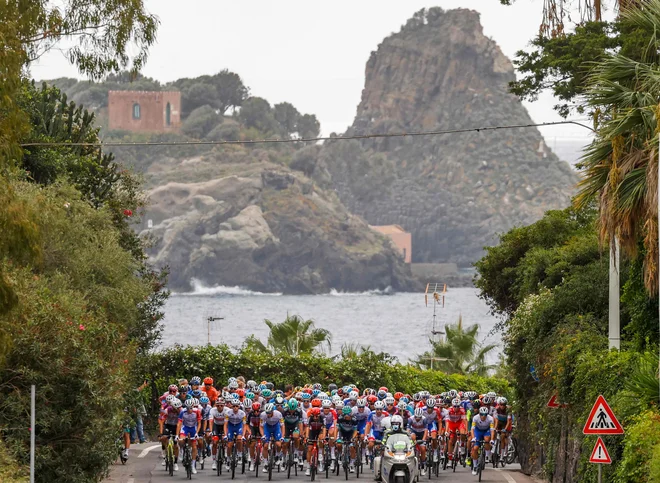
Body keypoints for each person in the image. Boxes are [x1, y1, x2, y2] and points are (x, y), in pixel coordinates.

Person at [177, 398, 201, 475]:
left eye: (190, 408)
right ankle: (182, 450)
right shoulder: (182, 412)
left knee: (194, 446)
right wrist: (177, 435)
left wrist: (197, 433)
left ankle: (193, 465)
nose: (189, 409)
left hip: (193, 428)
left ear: (193, 406)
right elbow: (179, 424)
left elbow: (199, 423)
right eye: (187, 408)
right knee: (181, 440)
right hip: (185, 427)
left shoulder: (197, 411)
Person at [470, 406, 495, 476]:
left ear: (487, 414)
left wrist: (492, 439)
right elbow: (472, 429)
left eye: (485, 415)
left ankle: (487, 455)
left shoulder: (490, 418)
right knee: (475, 449)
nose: (483, 416)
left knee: (487, 440)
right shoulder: (475, 418)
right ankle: (475, 466)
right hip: (478, 431)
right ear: (479, 413)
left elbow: (492, 430)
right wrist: (473, 438)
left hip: (486, 431)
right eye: (481, 414)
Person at [260, 403, 285, 473]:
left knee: (279, 444)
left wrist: (282, 437)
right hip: (267, 427)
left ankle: (277, 455)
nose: (268, 414)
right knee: (265, 446)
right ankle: (265, 463)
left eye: (270, 413)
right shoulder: (262, 415)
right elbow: (261, 426)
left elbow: (283, 426)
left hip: (276, 427)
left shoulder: (278, 414)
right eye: (267, 413)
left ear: (273, 411)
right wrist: (263, 435)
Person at [224, 399, 247, 471]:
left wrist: (243, 435)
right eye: (233, 406)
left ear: (239, 406)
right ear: (231, 406)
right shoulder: (228, 413)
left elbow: (244, 425)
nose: (235, 408)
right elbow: (225, 424)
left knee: (239, 440)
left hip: (238, 426)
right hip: (230, 426)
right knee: (229, 445)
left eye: (236, 406)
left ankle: (240, 454)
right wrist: (225, 434)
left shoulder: (242, 413)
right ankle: (228, 459)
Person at [282, 399, 305, 466]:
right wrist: (282, 434)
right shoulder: (284, 411)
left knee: (296, 436)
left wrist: (301, 433)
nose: (292, 411)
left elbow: (300, 423)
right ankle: (283, 457)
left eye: (293, 410)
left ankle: (295, 453)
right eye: (290, 410)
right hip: (286, 425)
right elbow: (282, 423)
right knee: (285, 442)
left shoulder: (299, 411)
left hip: (295, 424)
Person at [305, 407, 327, 476]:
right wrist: (307, 437)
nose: (315, 417)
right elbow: (308, 428)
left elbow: (324, 428)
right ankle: (308, 467)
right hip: (312, 431)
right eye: (313, 416)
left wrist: (323, 437)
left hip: (319, 431)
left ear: (319, 415)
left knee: (321, 438)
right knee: (309, 448)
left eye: (316, 416)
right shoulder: (310, 418)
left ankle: (320, 457)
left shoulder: (322, 417)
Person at [336, 406, 358, 472]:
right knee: (339, 444)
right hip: (342, 433)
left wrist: (353, 438)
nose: (346, 416)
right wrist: (335, 438)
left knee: (352, 447)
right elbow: (337, 429)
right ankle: (340, 454)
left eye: (348, 414)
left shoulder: (354, 419)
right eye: (344, 414)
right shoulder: (340, 418)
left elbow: (355, 431)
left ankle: (351, 464)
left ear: (350, 414)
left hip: (350, 434)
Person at [408, 408, 428, 475]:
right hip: (414, 432)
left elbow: (426, 431)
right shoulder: (410, 419)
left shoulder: (424, 419)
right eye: (416, 417)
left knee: (423, 449)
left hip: (421, 433)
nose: (417, 419)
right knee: (412, 436)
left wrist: (423, 439)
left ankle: (422, 466)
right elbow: (408, 430)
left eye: (419, 417)